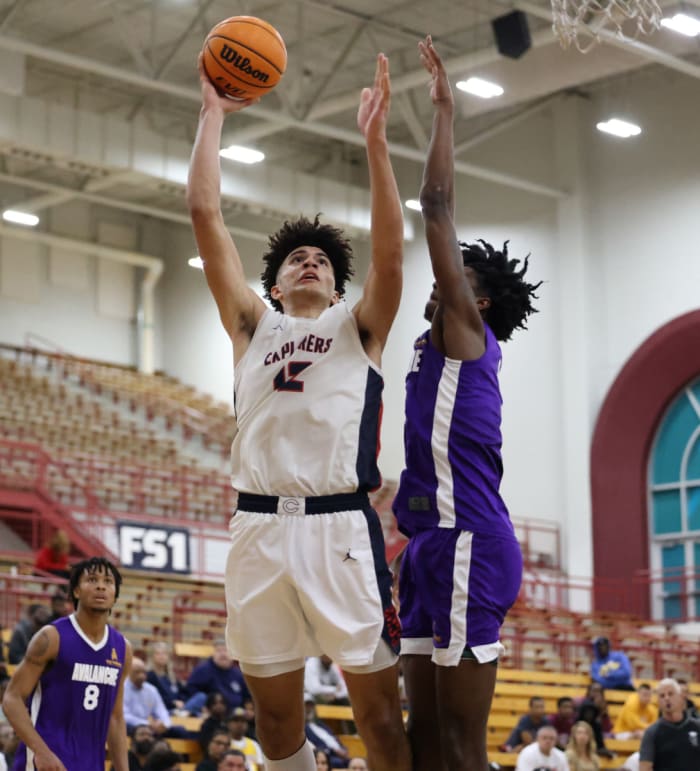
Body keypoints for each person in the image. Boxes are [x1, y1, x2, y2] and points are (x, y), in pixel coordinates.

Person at [187, 35, 409, 771]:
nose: (308, 261)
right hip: (256, 526)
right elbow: (204, 213)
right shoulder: (253, 325)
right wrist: (213, 110)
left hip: (339, 524)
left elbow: (390, 254)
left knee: (380, 718)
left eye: (321, 260)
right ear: (275, 285)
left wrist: (376, 146)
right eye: (294, 259)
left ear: (337, 288)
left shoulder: (359, 327)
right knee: (277, 724)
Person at [392, 37, 539, 771]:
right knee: (423, 744)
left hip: (470, 541)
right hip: (426, 542)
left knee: (459, 745)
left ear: (475, 296)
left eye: (457, 274)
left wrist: (445, 111)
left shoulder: (465, 331)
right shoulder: (431, 346)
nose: (441, 276)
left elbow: (436, 205)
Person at [2, 556, 131, 771]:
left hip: (90, 763)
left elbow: (115, 717)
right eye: (92, 579)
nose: (101, 585)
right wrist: (41, 752)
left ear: (115, 593)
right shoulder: (51, 638)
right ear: (76, 591)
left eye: (108, 581)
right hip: (46, 762)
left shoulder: (123, 648)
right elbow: (11, 698)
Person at [639, 677, 700, 770]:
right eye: (662, 696)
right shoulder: (652, 733)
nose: (666, 698)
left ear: (680, 697)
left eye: (670, 694)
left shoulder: (697, 727)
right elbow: (645, 767)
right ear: (658, 702)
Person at [124, 656, 187, 738]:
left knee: (180, 731)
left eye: (143, 672)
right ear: (128, 672)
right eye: (137, 672)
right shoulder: (121, 689)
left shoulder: (151, 690)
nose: (141, 676)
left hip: (151, 727)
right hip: (133, 726)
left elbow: (162, 711)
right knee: (129, 728)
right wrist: (147, 723)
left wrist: (164, 724)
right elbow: (124, 716)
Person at [184, 641, 249, 715]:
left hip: (236, 713)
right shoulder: (203, 670)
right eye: (218, 651)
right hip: (210, 713)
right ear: (213, 654)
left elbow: (246, 696)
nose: (223, 654)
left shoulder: (238, 674)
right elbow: (191, 690)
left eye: (226, 650)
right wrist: (204, 706)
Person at [304, 697, 349, 769]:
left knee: (357, 762)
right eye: (306, 706)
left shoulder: (321, 725)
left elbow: (335, 739)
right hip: (327, 756)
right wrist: (334, 751)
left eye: (310, 706)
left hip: (341, 755)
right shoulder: (303, 729)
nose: (308, 708)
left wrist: (344, 750)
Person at [147, 642, 187, 714]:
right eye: (158, 654)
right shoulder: (150, 676)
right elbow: (154, 698)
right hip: (163, 711)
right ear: (152, 656)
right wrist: (173, 703)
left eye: (164, 653)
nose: (161, 656)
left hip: (179, 708)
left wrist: (182, 701)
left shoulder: (171, 676)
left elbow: (182, 692)